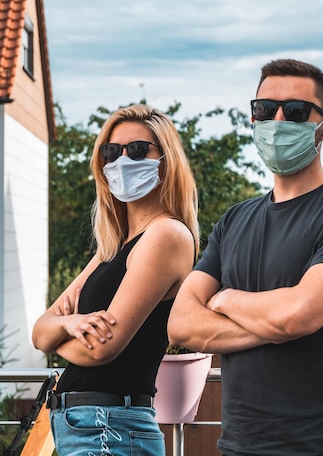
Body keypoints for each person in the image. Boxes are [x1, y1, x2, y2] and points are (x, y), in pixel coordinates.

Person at [168, 58, 323, 455]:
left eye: (297, 111)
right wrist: (282, 324)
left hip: (319, 445)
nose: (278, 120)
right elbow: (182, 326)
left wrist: (226, 299)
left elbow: (298, 315)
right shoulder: (235, 219)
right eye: (264, 109)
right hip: (236, 445)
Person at [32, 104, 199, 455]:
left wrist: (59, 330)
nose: (123, 160)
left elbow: (101, 349)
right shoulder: (113, 244)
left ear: (165, 160)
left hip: (110, 428)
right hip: (85, 428)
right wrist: (73, 324)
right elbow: (37, 332)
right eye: (111, 151)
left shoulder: (166, 235)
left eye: (138, 150)